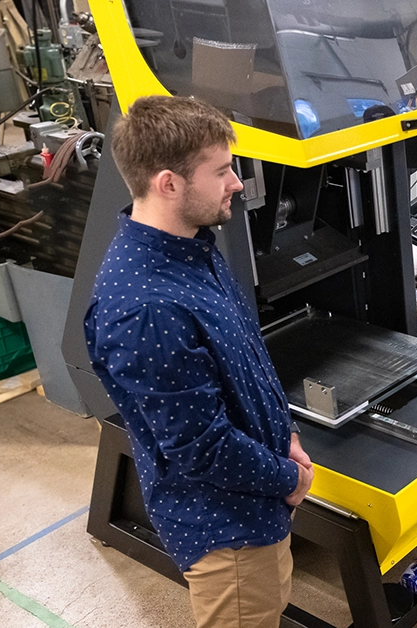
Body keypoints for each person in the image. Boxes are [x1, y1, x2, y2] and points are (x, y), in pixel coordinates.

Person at [85, 96, 313, 627]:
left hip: (259, 499)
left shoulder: (191, 248)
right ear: (169, 183)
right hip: (228, 530)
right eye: (222, 171)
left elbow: (247, 358)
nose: (236, 183)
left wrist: (287, 435)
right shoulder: (145, 309)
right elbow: (200, 447)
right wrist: (288, 478)